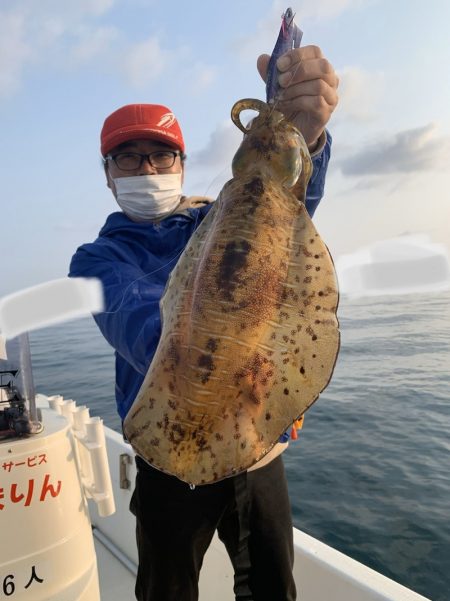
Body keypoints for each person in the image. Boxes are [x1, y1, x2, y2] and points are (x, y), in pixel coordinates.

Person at [69, 45, 339, 601]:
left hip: (256, 442)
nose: (148, 168)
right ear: (108, 173)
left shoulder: (217, 217)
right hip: (169, 449)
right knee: (167, 591)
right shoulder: (97, 260)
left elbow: (286, 212)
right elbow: (147, 332)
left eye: (160, 156)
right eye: (130, 158)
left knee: (271, 587)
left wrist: (304, 140)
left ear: (182, 164)